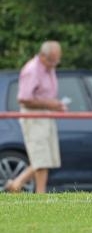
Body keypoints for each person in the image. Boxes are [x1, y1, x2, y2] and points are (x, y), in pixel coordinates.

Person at [5, 41, 67, 193]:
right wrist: (50, 105)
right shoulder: (32, 70)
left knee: (46, 159)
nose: (55, 64)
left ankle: (31, 190)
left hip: (46, 116)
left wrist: (55, 105)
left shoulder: (48, 69)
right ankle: (20, 186)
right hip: (34, 117)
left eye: (57, 61)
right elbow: (24, 98)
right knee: (41, 158)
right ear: (43, 56)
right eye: (53, 60)